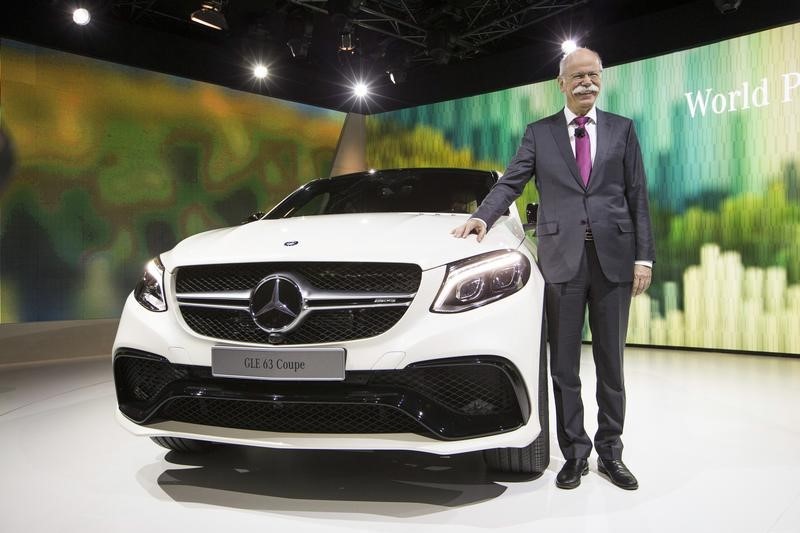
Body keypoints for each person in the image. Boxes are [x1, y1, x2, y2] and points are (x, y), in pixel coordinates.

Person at [452, 48, 655, 490]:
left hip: (615, 261)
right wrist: (482, 217)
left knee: (611, 365)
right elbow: (511, 180)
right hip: (561, 260)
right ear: (560, 83)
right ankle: (575, 453)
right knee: (563, 366)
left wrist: (644, 257)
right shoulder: (539, 133)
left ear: (601, 80)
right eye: (577, 76)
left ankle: (611, 452)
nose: (587, 82)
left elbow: (637, 195)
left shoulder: (622, 129)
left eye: (593, 75)